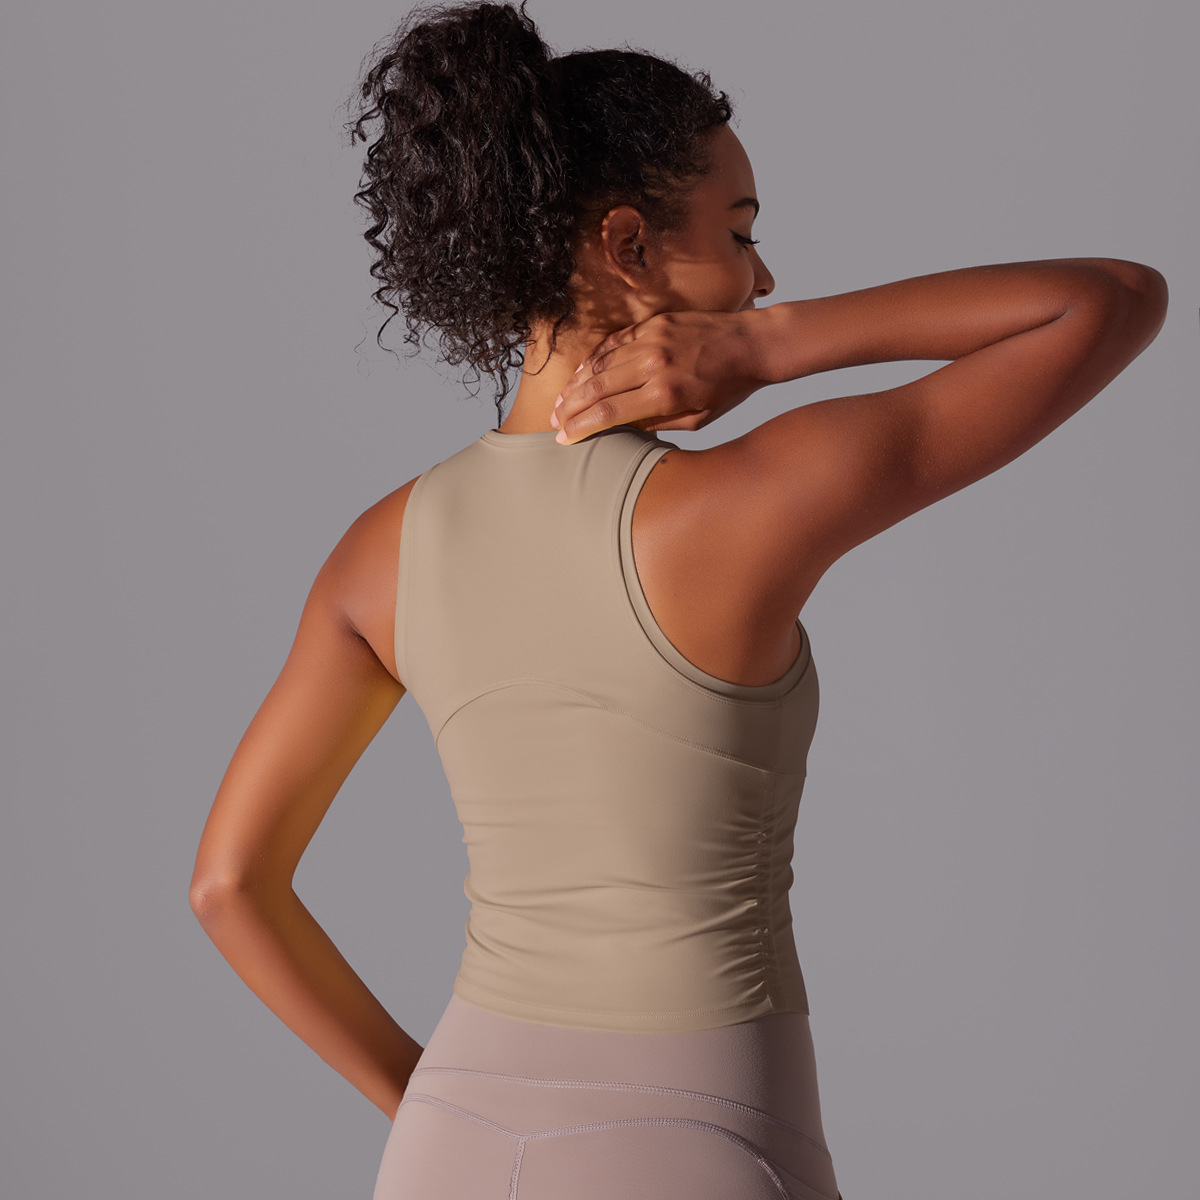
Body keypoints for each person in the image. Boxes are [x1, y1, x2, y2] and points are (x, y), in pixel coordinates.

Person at [188, 2, 1168, 1197]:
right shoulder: (745, 506)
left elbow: (229, 886)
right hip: (696, 1144)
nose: (765, 277)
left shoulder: (377, 551)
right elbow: (1110, 297)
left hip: (451, 1146)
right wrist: (769, 349)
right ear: (629, 245)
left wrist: (439, 1105)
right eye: (741, 232)